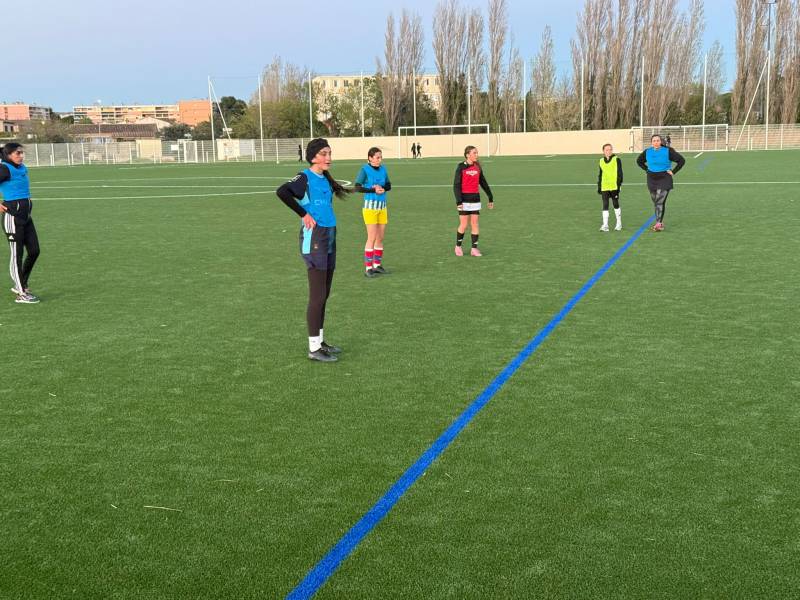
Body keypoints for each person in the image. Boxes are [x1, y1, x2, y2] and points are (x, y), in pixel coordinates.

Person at [276, 139, 350, 362]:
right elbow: (282, 192)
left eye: (329, 153)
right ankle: (313, 348)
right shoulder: (304, 177)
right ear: (313, 156)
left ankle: (320, 341)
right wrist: (303, 214)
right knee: (317, 295)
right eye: (324, 153)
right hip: (314, 238)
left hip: (329, 234)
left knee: (325, 293)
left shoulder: (325, 178)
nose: (328, 157)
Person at [0, 143, 40, 304]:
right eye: (18, 153)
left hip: (26, 217)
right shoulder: (4, 169)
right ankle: (21, 293)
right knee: (17, 255)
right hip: (12, 218)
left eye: (22, 153)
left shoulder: (21, 167)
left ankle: (21, 283)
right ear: (8, 155)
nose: (21, 156)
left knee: (34, 251)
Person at [355, 147, 392, 278]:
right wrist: (373, 190)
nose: (379, 160)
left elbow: (389, 185)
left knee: (380, 238)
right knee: (371, 237)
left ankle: (377, 265)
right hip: (370, 208)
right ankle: (368, 268)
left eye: (381, 157)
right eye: (377, 157)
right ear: (370, 158)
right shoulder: (364, 170)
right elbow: (357, 187)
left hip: (382, 207)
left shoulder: (383, 169)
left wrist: (382, 188)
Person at [636, 134, 685, 231]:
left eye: (658, 140)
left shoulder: (668, 151)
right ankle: (660, 221)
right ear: (651, 142)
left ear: (661, 141)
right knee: (656, 201)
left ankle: (658, 223)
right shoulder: (647, 152)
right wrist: (646, 169)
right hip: (651, 178)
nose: (656, 142)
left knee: (659, 201)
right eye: (654, 141)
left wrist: (673, 171)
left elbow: (681, 161)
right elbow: (639, 161)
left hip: (664, 178)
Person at [453, 146, 493, 256]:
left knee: (475, 224)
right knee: (464, 224)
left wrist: (490, 197)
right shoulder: (461, 167)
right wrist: (458, 201)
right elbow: (456, 185)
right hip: (464, 200)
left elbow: (483, 183)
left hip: (475, 199)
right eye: (474, 153)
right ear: (467, 155)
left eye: (477, 153)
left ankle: (474, 249)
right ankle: (458, 246)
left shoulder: (477, 167)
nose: (476, 155)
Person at [596, 143, 623, 232]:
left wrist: (619, 185)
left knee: (615, 204)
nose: (609, 151)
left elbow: (620, 173)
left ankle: (619, 223)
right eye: (607, 150)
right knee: (605, 204)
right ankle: (605, 225)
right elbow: (600, 174)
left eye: (610, 149)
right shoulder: (601, 161)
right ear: (603, 151)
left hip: (614, 186)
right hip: (605, 186)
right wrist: (599, 186)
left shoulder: (616, 159)